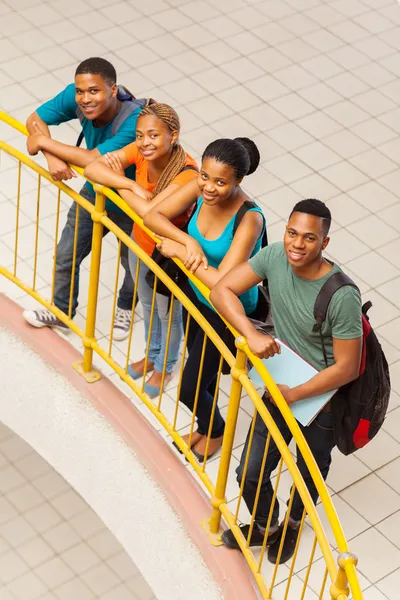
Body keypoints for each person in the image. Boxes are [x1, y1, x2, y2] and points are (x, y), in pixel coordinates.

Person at [210, 199, 362, 564]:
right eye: (292, 232)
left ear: (324, 243)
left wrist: (295, 394)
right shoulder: (275, 256)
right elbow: (222, 291)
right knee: (249, 472)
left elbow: (348, 367)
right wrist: (251, 333)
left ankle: (294, 522)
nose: (297, 244)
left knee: (310, 466)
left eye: (309, 238)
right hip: (280, 386)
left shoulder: (342, 295)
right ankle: (265, 526)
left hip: (322, 399)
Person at [144, 138, 266, 461]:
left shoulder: (250, 219)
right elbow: (153, 217)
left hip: (226, 311)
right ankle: (204, 425)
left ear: (238, 181)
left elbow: (223, 286)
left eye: (221, 182)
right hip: (196, 298)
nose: (209, 188)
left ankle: (215, 430)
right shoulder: (200, 190)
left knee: (191, 387)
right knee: (201, 374)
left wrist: (181, 251)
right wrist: (188, 242)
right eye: (205, 177)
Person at [22, 57, 144, 341]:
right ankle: (62, 312)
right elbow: (34, 119)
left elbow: (92, 158)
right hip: (97, 190)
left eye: (94, 91)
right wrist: (53, 157)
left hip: (132, 201)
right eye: (81, 92)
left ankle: (126, 307)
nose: (85, 99)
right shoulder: (74, 95)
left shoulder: (133, 119)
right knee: (66, 253)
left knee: (132, 265)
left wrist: (43, 143)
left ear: (113, 91)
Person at [84, 103, 199, 397]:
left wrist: (119, 189)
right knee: (147, 305)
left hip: (166, 255)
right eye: (139, 136)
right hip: (139, 243)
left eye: (153, 136)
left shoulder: (187, 174)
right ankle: (152, 354)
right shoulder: (139, 154)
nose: (144, 143)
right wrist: (130, 185)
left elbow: (152, 214)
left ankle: (165, 366)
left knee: (167, 314)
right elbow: (92, 168)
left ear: (173, 136)